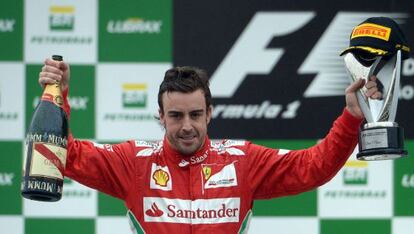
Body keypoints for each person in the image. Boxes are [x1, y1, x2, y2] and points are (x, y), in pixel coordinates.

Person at [38, 61, 381, 233]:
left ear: (210, 113)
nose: (186, 126)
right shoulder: (134, 162)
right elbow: (61, 154)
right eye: (175, 115)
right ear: (161, 116)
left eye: (195, 114)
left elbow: (313, 166)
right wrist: (59, 96)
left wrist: (351, 118)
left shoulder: (242, 160)